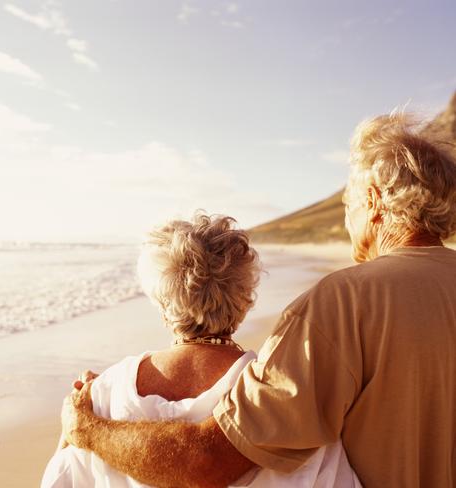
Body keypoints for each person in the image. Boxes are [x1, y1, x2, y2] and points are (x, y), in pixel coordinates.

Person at [60, 112, 456, 488]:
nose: (345, 219)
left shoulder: (344, 301)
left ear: (371, 201)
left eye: (346, 204)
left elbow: (210, 461)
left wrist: (89, 429)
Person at [44, 213, 361, 487]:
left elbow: (61, 478)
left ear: (160, 300)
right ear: (244, 300)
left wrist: (100, 398)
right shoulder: (281, 396)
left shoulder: (98, 397)